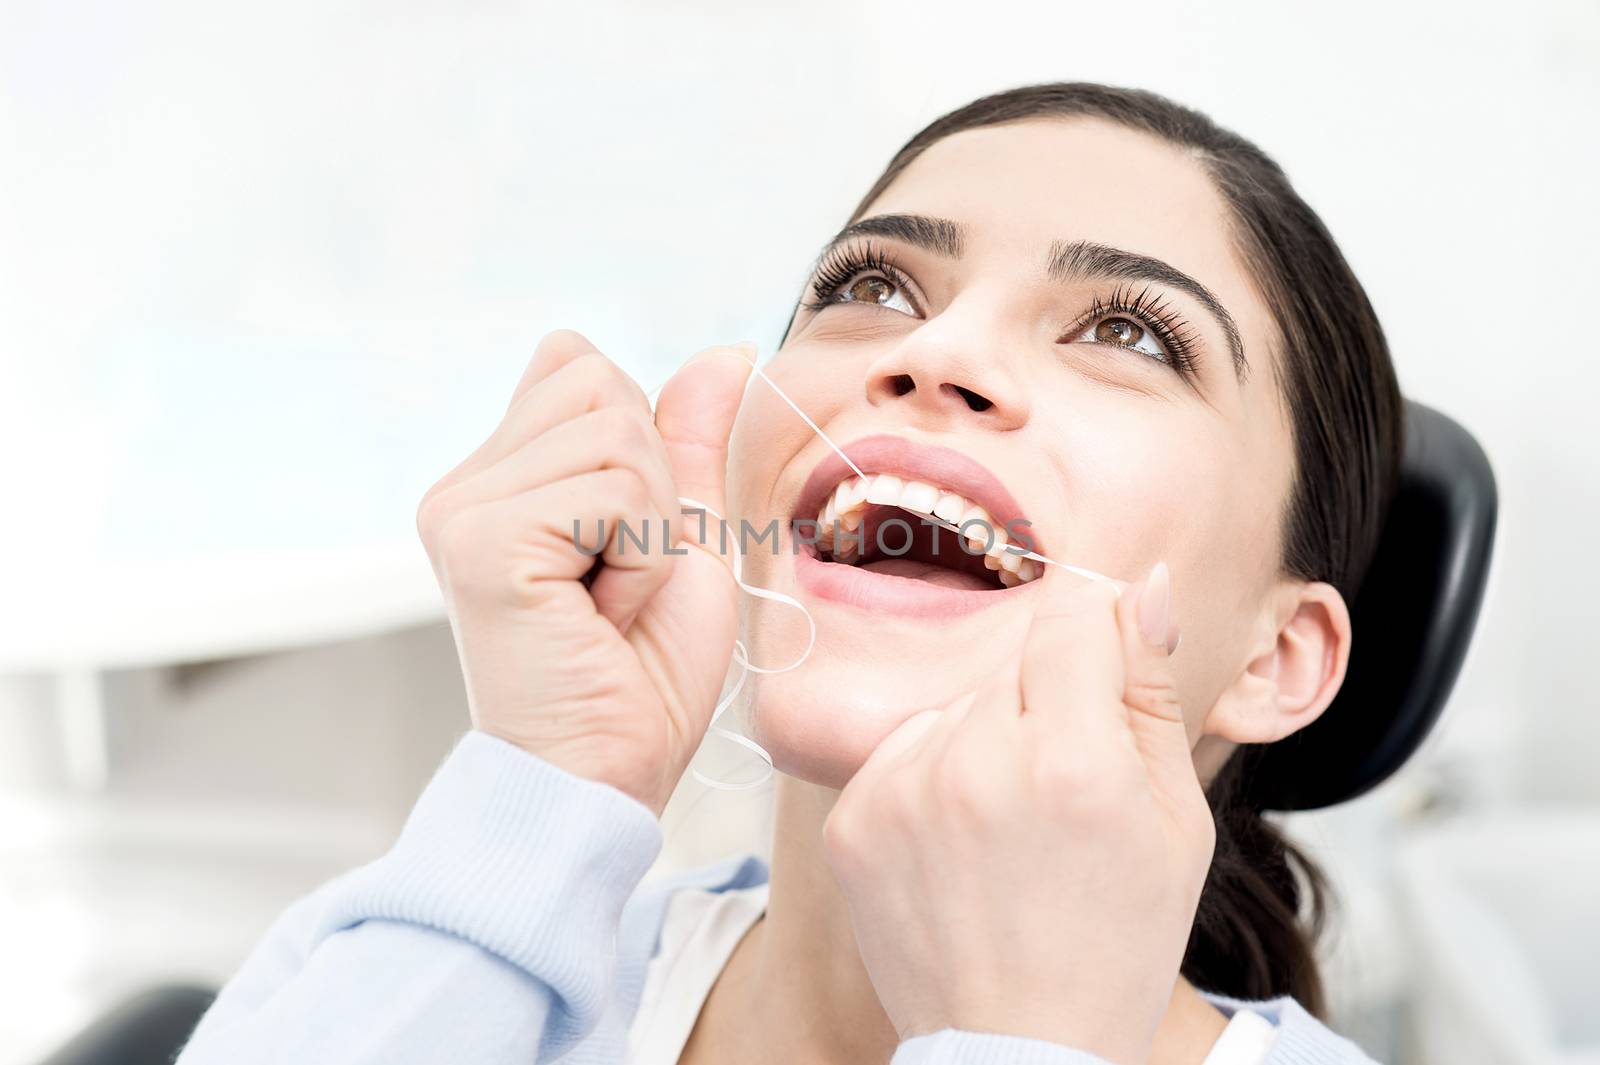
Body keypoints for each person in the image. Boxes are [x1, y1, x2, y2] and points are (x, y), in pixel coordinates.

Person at [176, 82, 1398, 1064]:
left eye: (1128, 331)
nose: (935, 347)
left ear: (1275, 660)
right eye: (871, 286)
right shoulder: (417, 967)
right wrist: (545, 786)